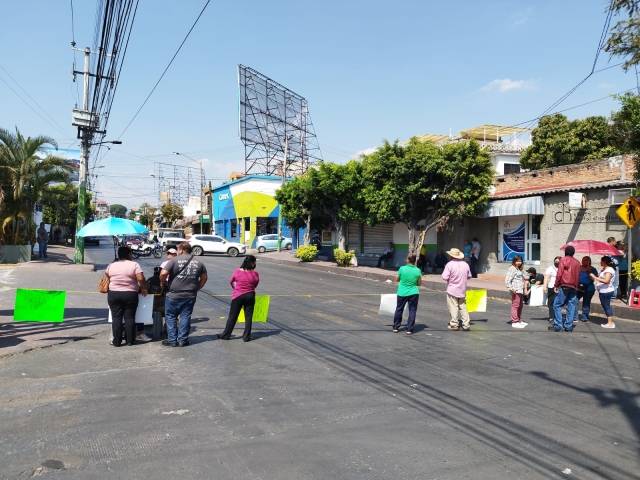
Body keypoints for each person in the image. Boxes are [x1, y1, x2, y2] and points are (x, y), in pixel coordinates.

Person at [159, 242, 208, 347]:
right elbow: (204, 278)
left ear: (181, 250)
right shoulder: (199, 262)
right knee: (185, 316)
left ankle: (172, 340)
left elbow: (163, 273)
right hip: (190, 294)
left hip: (173, 294)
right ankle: (182, 341)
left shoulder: (173, 260)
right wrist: (197, 288)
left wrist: (163, 283)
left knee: (171, 316)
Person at [106, 246, 148, 346]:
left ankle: (116, 341)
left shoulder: (112, 265)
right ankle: (130, 340)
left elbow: (107, 275)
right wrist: (144, 288)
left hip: (114, 293)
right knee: (130, 317)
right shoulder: (134, 264)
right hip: (130, 294)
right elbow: (140, 278)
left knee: (116, 318)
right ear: (129, 254)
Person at [217, 255, 260, 342]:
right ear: (252, 263)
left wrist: (236, 288)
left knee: (232, 316)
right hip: (250, 295)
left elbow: (231, 281)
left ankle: (226, 335)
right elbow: (255, 284)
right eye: (255, 262)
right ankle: (246, 337)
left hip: (238, 296)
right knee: (248, 317)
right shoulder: (255, 273)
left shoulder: (237, 271)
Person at [551, 246, 581, 333]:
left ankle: (558, 326)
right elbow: (578, 275)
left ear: (565, 252)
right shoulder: (578, 262)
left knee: (557, 305)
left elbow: (559, 274)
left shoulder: (563, 260)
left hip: (564, 284)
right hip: (574, 286)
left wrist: (556, 285)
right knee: (571, 306)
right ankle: (568, 326)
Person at [442, 248, 472, 331]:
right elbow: (469, 276)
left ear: (451, 256)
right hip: (462, 289)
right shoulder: (465, 264)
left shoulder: (449, 264)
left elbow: (444, 277)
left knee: (453, 306)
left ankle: (454, 324)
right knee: (463, 307)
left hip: (452, 289)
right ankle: (466, 324)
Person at [392, 253, 422, 335]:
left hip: (402, 292)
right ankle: (409, 328)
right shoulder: (418, 270)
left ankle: (396, 326)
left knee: (399, 309)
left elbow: (397, 279)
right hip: (414, 292)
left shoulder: (402, 268)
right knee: (412, 310)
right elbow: (419, 284)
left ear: (408, 260)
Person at [590, 256, 616, 329]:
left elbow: (606, 280)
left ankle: (610, 323)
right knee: (606, 306)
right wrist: (593, 276)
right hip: (603, 291)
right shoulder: (604, 269)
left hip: (606, 291)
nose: (600, 262)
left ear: (604, 262)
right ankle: (610, 321)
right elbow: (600, 278)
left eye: (601, 261)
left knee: (606, 306)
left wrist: (595, 278)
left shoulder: (609, 270)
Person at [505, 255, 528, 328]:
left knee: (520, 305)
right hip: (515, 290)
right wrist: (511, 289)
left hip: (520, 290)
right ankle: (514, 321)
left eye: (520, 261)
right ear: (514, 261)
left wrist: (527, 276)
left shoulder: (519, 269)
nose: (518, 263)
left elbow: (525, 275)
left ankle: (519, 320)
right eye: (517, 261)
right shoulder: (512, 268)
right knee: (515, 305)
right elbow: (507, 280)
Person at [573, 256, 598, 324]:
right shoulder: (579, 267)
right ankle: (575, 317)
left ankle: (585, 317)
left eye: (585, 260)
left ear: (589, 261)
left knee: (586, 303)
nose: (583, 261)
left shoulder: (592, 269)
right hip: (579, 288)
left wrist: (589, 272)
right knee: (575, 301)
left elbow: (594, 279)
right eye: (583, 260)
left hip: (589, 289)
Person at [542, 257, 561, 323]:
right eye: (556, 261)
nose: (557, 263)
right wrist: (544, 286)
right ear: (554, 261)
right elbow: (546, 278)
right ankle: (551, 317)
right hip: (551, 287)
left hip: (560, 288)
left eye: (558, 262)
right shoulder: (550, 268)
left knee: (558, 303)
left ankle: (557, 317)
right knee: (551, 303)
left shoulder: (562, 268)